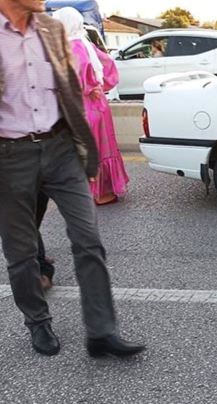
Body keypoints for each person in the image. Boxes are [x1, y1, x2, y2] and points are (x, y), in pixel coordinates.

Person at [0, 0, 145, 357]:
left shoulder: (52, 30)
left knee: (88, 239)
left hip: (61, 149)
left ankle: (101, 332)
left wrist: (85, 148)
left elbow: (70, 91)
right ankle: (38, 322)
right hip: (10, 156)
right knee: (22, 253)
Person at [53, 7, 129, 205]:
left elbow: (71, 82)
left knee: (87, 150)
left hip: (83, 107)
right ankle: (106, 190)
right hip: (99, 105)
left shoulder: (69, 48)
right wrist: (99, 85)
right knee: (104, 147)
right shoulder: (86, 44)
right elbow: (109, 66)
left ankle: (95, 193)